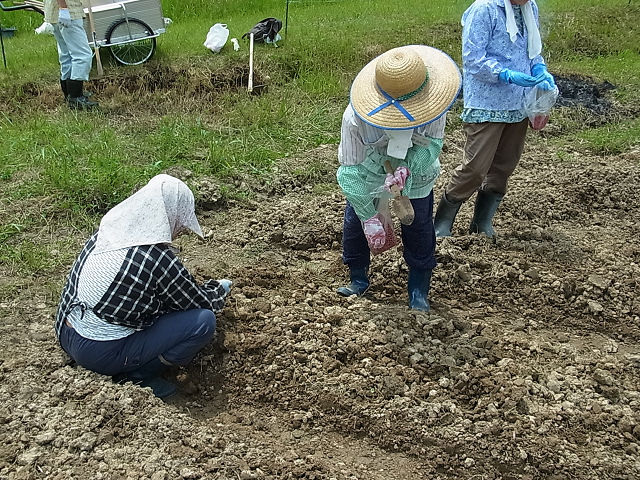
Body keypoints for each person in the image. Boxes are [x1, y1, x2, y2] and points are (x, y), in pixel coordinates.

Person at [54, 174, 231, 399]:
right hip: (98, 352)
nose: (182, 230)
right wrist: (219, 289)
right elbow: (198, 303)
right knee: (203, 322)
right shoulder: (155, 258)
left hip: (65, 331)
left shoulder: (106, 232)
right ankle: (137, 376)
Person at [336, 45, 461, 311]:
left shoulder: (433, 109)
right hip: (367, 175)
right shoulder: (355, 119)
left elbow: (432, 145)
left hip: (416, 176)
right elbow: (349, 170)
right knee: (356, 226)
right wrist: (369, 216)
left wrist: (409, 168)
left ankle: (418, 290)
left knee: (418, 228)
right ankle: (358, 279)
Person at [433, 0, 556, 238]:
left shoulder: (529, 8)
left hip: (518, 103)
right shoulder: (484, 9)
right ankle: (442, 222)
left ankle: (481, 224)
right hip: (487, 102)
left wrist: (540, 70)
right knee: (475, 168)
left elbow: (531, 52)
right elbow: (472, 58)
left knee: (504, 167)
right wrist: (504, 73)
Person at [43, 0, 98, 109]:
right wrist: (63, 8)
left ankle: (69, 94)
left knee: (66, 55)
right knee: (82, 55)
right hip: (69, 11)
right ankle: (76, 98)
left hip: (54, 12)